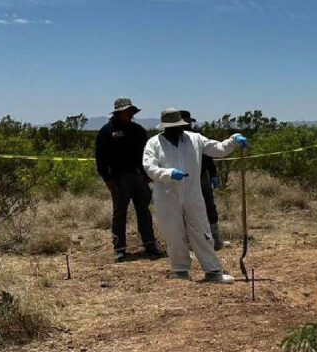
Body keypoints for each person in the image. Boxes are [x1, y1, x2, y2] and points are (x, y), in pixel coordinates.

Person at [143, 108, 247, 283]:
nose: (177, 130)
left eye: (179, 126)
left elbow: (218, 149)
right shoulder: (154, 143)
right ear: (165, 127)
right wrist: (167, 173)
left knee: (202, 231)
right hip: (167, 195)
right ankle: (180, 270)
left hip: (192, 194)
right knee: (174, 233)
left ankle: (213, 271)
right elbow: (149, 167)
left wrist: (233, 140)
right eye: (173, 127)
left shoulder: (195, 139)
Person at [95, 98, 163, 262]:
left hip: (139, 177)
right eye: (126, 111)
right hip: (118, 179)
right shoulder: (106, 131)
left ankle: (150, 245)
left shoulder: (138, 130)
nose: (129, 114)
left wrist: (147, 174)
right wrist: (107, 178)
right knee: (119, 213)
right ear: (118, 113)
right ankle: (120, 249)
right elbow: (100, 157)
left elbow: (146, 155)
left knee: (144, 211)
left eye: (131, 111)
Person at [180, 110, 224, 250]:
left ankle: (215, 240)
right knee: (186, 209)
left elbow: (208, 156)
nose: (188, 124)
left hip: (201, 175)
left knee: (209, 207)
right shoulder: (172, 139)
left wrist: (213, 174)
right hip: (183, 179)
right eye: (185, 121)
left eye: (189, 121)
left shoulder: (198, 136)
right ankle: (190, 242)